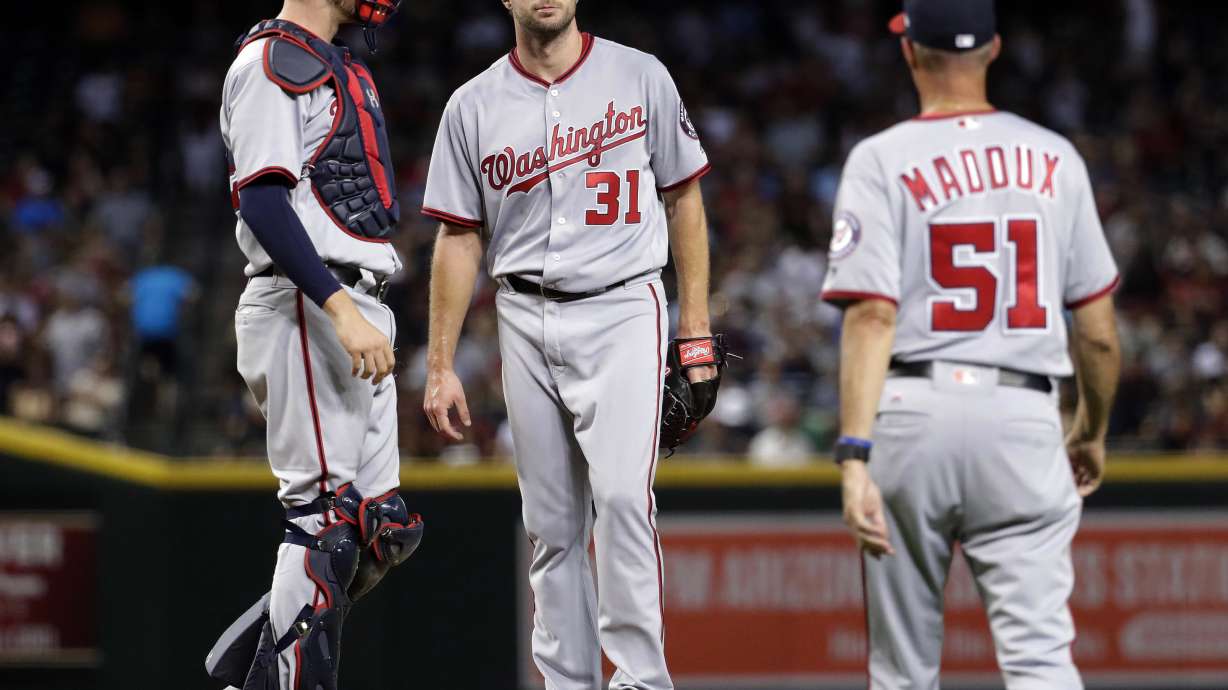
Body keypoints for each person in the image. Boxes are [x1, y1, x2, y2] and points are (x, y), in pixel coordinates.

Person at [820, 1, 1121, 688]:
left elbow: (870, 315)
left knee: (902, 673)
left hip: (911, 413)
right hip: (1023, 414)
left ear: (910, 52)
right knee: (1042, 662)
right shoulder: (1056, 157)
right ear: (993, 50)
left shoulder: (879, 158)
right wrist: (1091, 431)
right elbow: (1099, 337)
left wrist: (854, 456)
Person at [421, 1, 715, 687]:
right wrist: (440, 364)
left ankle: (641, 680)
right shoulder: (472, 106)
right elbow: (459, 236)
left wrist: (694, 328)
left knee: (619, 499)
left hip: (623, 303)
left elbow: (685, 198)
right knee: (550, 525)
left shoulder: (640, 77)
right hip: (523, 311)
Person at [206, 1, 422, 688]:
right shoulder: (272, 62)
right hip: (307, 302)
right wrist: (336, 306)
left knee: (381, 528)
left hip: (355, 305)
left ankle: (256, 669)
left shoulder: (335, 64)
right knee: (324, 525)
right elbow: (263, 201)